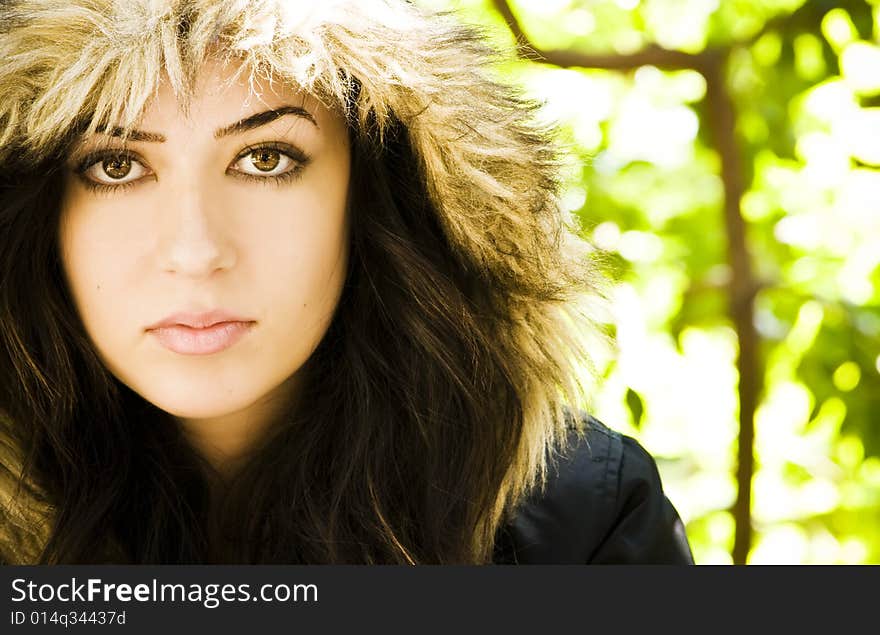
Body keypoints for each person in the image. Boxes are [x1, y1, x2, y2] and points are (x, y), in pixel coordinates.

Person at [0, 0, 693, 565]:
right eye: (116, 165)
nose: (195, 250)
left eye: (265, 157)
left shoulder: (584, 521)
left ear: (374, 191)